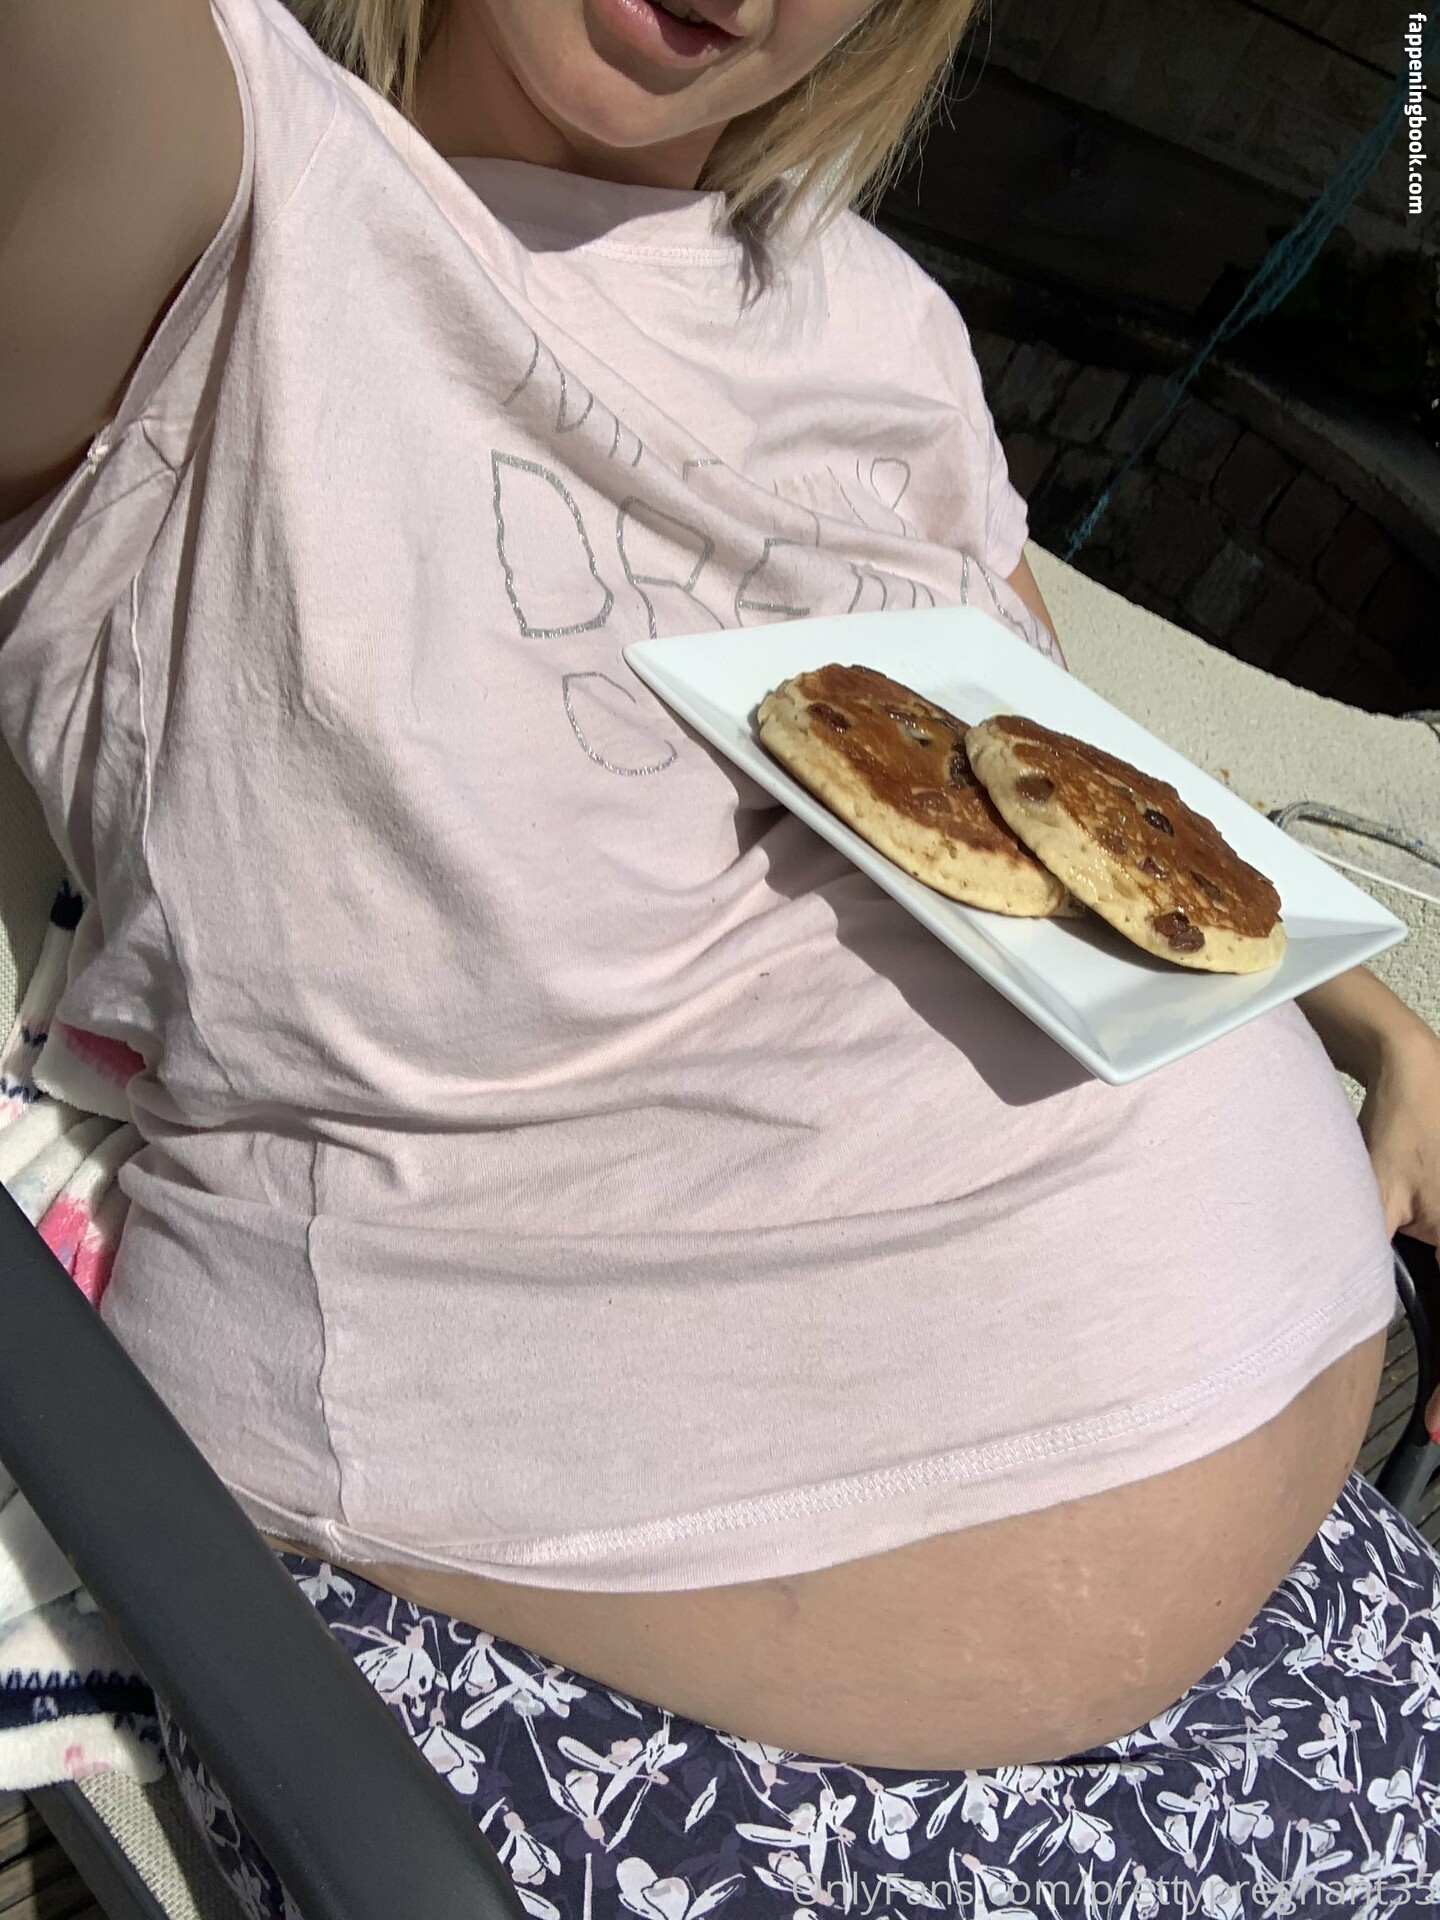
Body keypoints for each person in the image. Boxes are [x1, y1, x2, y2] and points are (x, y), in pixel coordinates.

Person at [3, 0, 1440, 1911]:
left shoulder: (876, 320)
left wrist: (1366, 1015)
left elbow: (1066, 779)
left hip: (1315, 1639)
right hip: (644, 1701)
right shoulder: (230, 195)